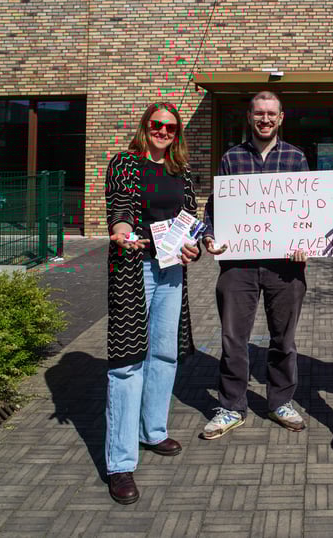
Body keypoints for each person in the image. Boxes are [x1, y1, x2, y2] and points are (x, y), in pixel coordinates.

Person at [104, 102, 201, 505]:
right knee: (127, 363)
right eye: (157, 125)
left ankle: (153, 431)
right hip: (134, 267)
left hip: (170, 269)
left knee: (163, 353)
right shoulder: (125, 163)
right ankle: (120, 464)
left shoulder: (181, 171)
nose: (163, 132)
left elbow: (191, 216)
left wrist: (195, 246)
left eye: (171, 128)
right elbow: (121, 206)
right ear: (145, 126)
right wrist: (122, 232)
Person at [200, 91, 310, 439]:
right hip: (239, 265)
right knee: (234, 339)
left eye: (271, 113)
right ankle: (232, 407)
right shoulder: (232, 158)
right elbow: (214, 210)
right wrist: (210, 237)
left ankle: (280, 401)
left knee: (284, 339)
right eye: (259, 113)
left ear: (281, 118)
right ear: (249, 117)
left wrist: (306, 243)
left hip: (285, 267)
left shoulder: (296, 158)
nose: (265, 119)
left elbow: (309, 212)